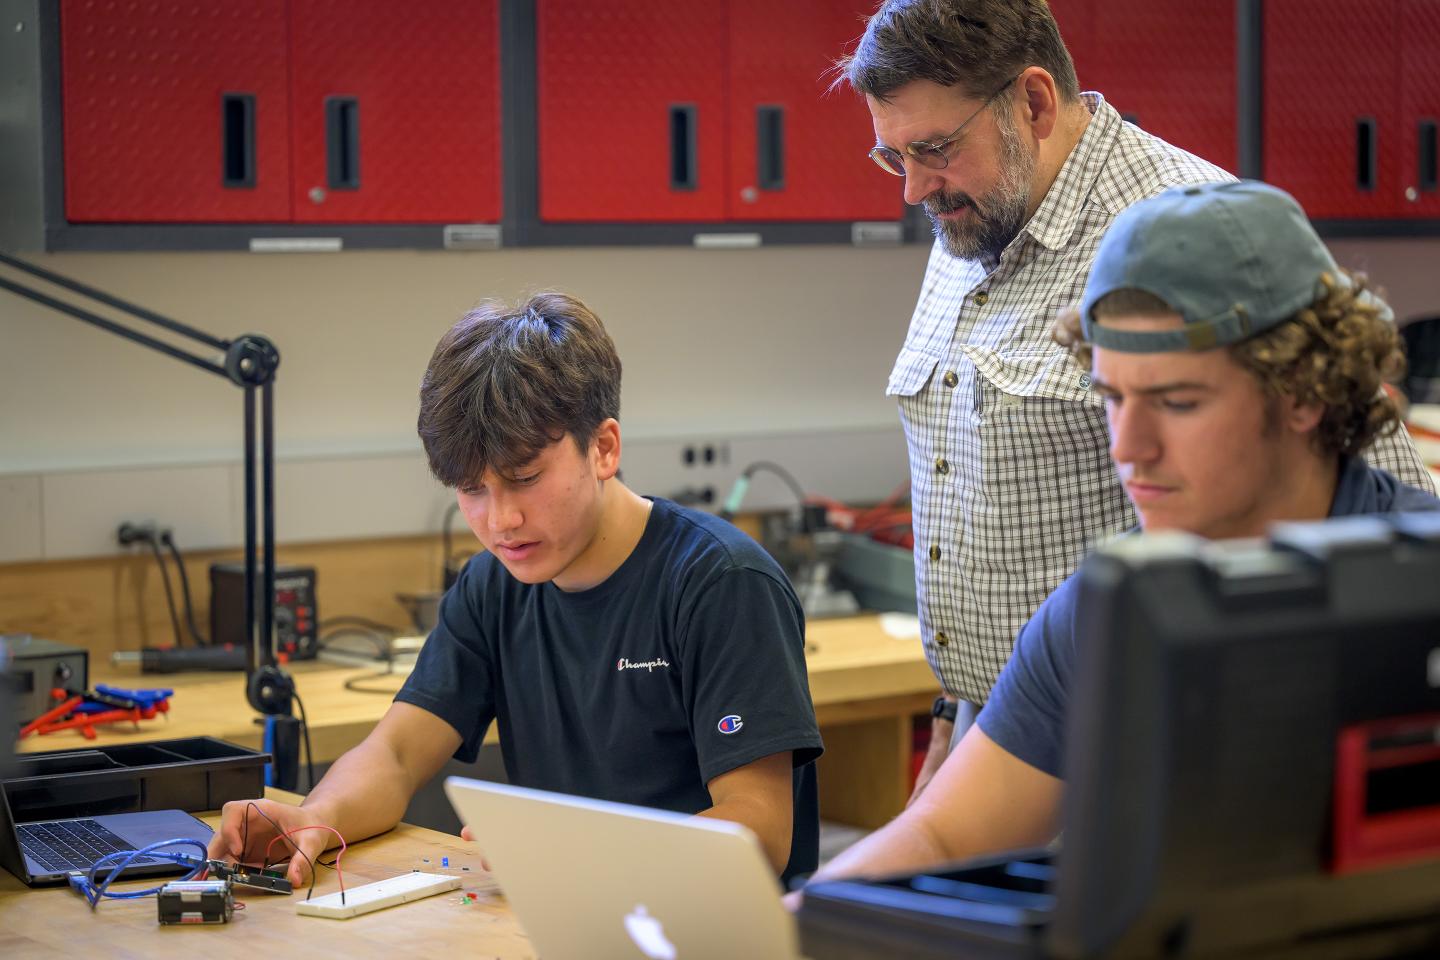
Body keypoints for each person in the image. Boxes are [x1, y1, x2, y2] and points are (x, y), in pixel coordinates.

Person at [842, 0, 1435, 797]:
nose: (914, 187)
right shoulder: (974, 217)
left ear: (1035, 103)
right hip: (1002, 730)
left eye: (934, 149)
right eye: (893, 158)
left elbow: (1381, 508)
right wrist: (960, 713)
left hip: (1162, 732)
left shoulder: (1183, 229)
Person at [803, 180, 1440, 887]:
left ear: (1303, 394)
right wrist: (785, 924)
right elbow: (945, 833)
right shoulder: (1109, 613)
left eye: (1177, 402)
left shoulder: (1418, 591)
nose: (1128, 447)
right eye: (1112, 398)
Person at [208, 292, 824, 885]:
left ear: (603, 448)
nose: (500, 521)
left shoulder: (720, 583)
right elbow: (395, 754)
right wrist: (316, 820)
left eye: (524, 478)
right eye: (472, 491)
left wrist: (579, 855)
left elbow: (759, 832)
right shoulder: (492, 585)